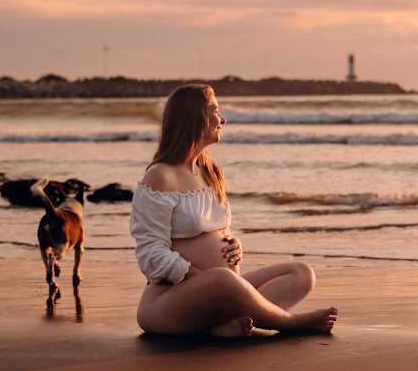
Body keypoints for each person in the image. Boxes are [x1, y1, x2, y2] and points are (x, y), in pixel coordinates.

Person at [130, 84, 338, 338]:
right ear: (195, 116)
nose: (222, 119)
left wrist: (234, 244)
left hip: (223, 290)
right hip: (168, 302)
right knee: (222, 280)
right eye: (215, 111)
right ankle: (292, 323)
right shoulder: (160, 175)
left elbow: (218, 230)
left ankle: (228, 323)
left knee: (301, 273)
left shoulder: (210, 172)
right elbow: (150, 253)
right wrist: (207, 279)